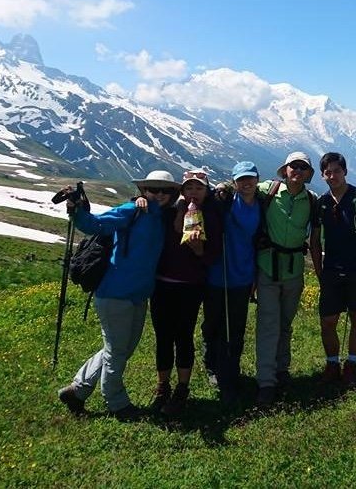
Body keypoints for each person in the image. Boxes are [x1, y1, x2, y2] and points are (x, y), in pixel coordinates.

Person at [57, 170, 179, 421]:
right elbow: (95, 224)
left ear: (172, 194)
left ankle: (77, 390)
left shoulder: (164, 215)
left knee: (121, 348)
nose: (158, 194)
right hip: (115, 293)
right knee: (116, 350)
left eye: (164, 190)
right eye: (152, 190)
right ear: (143, 191)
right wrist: (77, 209)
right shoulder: (131, 211)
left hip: (138, 294)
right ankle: (117, 403)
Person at [143, 169, 222, 417]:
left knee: (184, 335)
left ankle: (182, 388)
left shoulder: (211, 216)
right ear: (182, 191)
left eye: (199, 188)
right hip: (162, 283)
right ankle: (163, 386)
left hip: (191, 284)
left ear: (206, 191)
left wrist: (199, 250)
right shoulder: (168, 213)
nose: (193, 193)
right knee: (163, 336)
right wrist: (138, 200)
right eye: (189, 188)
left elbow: (212, 255)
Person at [309, 152, 356, 387]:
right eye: (327, 172)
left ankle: (351, 364)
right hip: (331, 270)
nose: (333, 176)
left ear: (345, 172)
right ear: (322, 175)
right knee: (327, 321)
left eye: (337, 171)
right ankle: (332, 363)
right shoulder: (321, 204)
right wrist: (320, 271)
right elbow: (315, 240)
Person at [254, 151, 317, 407]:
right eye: (294, 166)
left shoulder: (312, 201)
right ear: (285, 169)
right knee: (269, 325)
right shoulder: (267, 190)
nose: (298, 171)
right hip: (268, 269)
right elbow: (241, 186)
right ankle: (267, 382)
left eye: (303, 168)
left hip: (294, 272)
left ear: (308, 174)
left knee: (285, 324)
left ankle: (281, 370)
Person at [204, 160, 261, 407]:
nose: (246, 183)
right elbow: (199, 199)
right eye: (241, 179)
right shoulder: (224, 201)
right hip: (218, 273)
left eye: (250, 178)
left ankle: (229, 373)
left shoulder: (263, 203)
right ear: (235, 182)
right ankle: (212, 364)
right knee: (214, 323)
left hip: (243, 275)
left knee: (235, 328)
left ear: (257, 180)